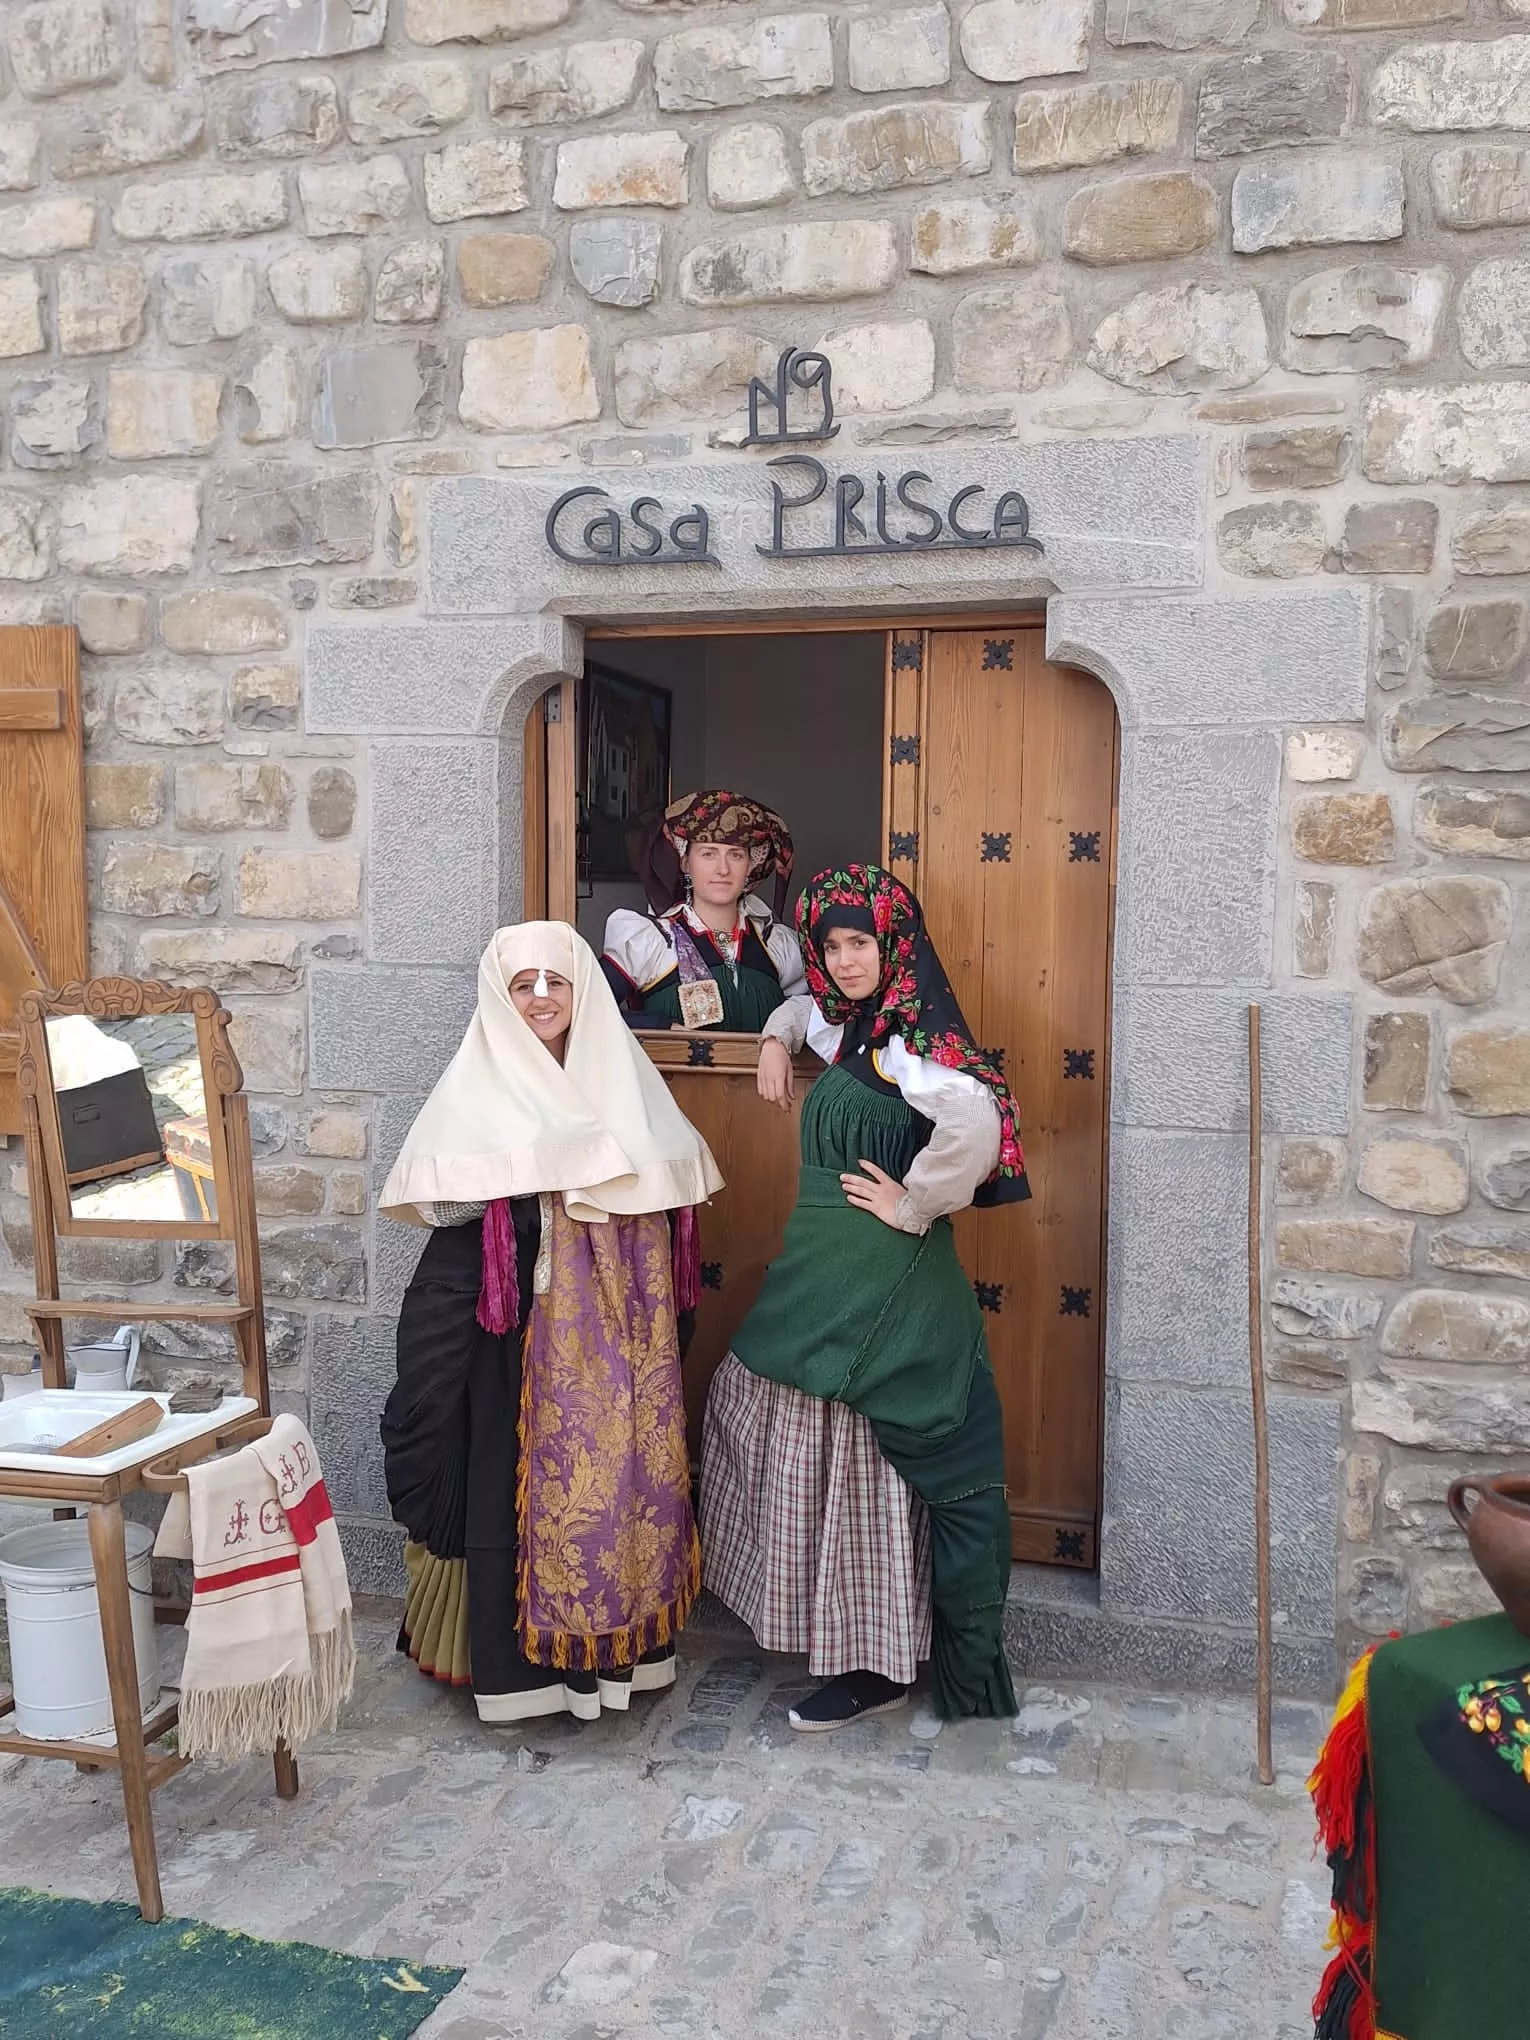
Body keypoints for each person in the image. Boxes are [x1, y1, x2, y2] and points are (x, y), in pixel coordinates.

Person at [700, 865, 1031, 1732]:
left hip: (886, 1280)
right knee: (761, 1403)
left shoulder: (908, 1042)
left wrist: (914, 1204)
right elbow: (797, 1009)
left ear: (894, 946)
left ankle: (877, 1665)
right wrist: (774, 1038)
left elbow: (978, 1120)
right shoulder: (840, 1023)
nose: (845, 962)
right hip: (821, 1270)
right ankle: (837, 1633)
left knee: (861, 1450)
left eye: (861, 944)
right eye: (834, 945)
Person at [378, 921, 723, 1726]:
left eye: (556, 982)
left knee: (623, 1497)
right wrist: (518, 1176)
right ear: (500, 997)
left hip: (623, 1351)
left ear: (583, 991)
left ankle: (617, 1662)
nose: (540, 998)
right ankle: (524, 1676)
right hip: (520, 1352)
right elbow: (447, 1206)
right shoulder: (479, 1084)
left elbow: (669, 1201)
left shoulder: (629, 1086)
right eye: (523, 984)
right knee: (509, 1494)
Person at [602, 789, 805, 1032]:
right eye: (708, 854)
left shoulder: (777, 946)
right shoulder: (651, 942)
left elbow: (823, 1015)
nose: (723, 869)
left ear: (751, 865)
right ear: (685, 862)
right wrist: (662, 1027)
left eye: (736, 855)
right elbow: (587, 1011)